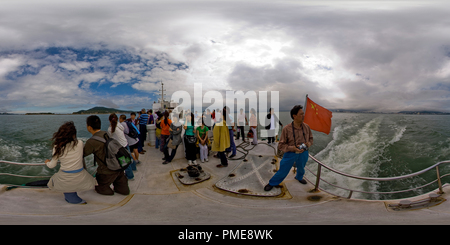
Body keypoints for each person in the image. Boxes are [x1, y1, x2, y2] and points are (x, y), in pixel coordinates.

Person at [264, 105, 313, 191]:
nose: (303, 116)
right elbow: (281, 145)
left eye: (303, 114)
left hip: (304, 152)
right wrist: (293, 148)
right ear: (294, 116)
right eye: (301, 114)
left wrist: (308, 144)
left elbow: (311, 139)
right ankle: (272, 182)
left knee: (301, 167)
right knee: (283, 170)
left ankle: (299, 177)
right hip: (291, 153)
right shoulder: (286, 129)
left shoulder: (307, 127)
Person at [45, 121, 96, 204]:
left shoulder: (57, 147)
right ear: (74, 134)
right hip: (80, 175)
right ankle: (72, 196)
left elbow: (52, 165)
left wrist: (47, 162)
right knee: (71, 184)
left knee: (53, 181)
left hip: (66, 177)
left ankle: (71, 198)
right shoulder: (80, 143)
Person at [83, 115, 130, 196]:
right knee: (124, 191)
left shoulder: (91, 142)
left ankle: (104, 187)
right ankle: (119, 186)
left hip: (107, 172)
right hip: (119, 168)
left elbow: (83, 154)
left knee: (103, 188)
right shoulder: (107, 134)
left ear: (89, 127)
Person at [107, 113, 134, 180]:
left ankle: (130, 176)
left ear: (110, 120)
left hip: (120, 148)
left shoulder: (110, 129)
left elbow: (111, 139)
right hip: (125, 143)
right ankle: (134, 168)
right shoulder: (119, 125)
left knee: (125, 163)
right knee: (129, 157)